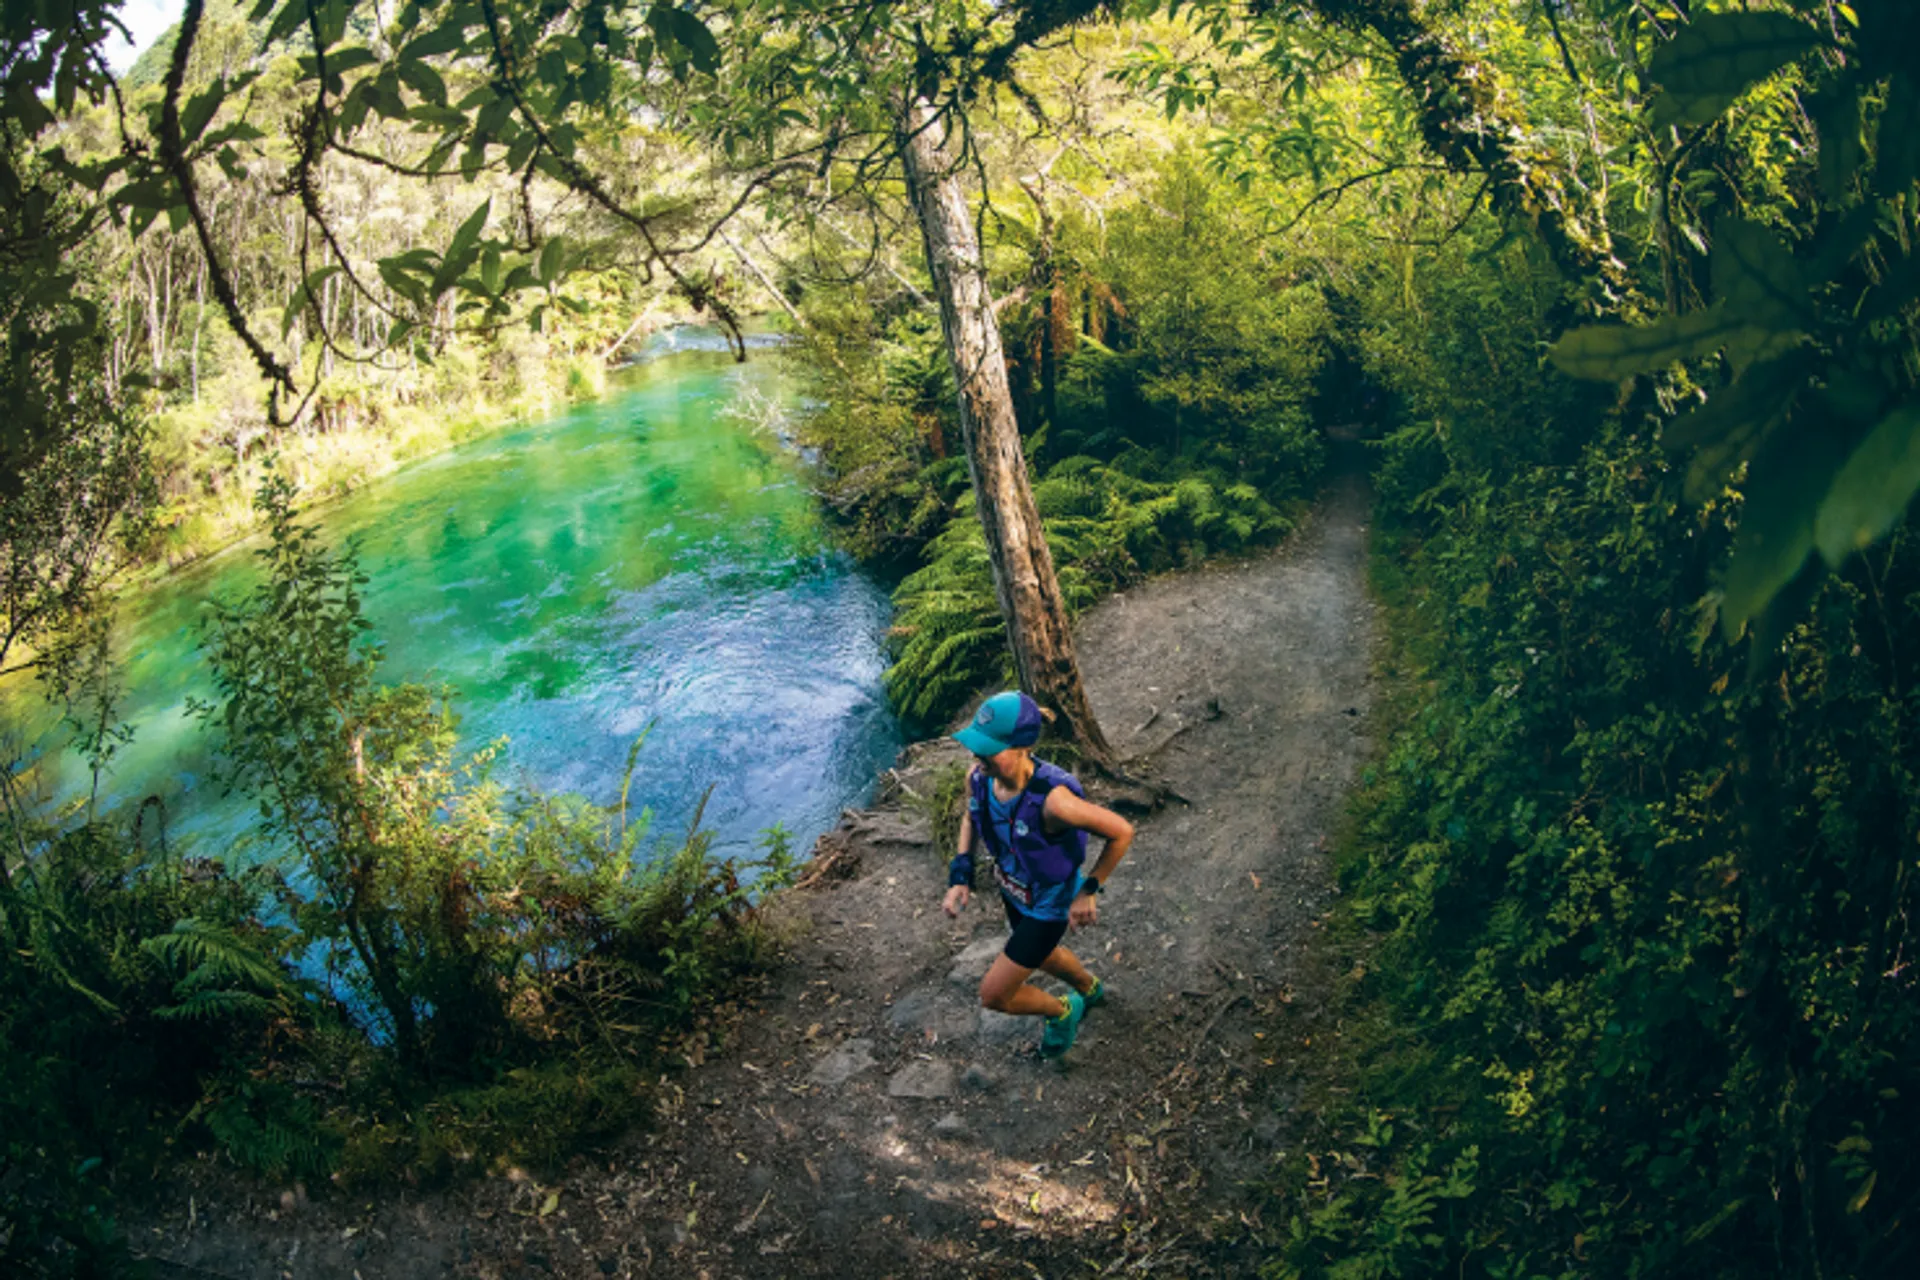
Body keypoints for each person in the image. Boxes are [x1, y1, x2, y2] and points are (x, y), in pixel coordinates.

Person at [942, 690, 1135, 1057]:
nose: (978, 756)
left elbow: (1122, 831)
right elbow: (971, 815)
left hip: (1048, 904)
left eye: (989, 749)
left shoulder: (1055, 801)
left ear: (1023, 747)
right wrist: (960, 875)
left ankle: (1063, 1012)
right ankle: (1090, 990)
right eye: (976, 747)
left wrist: (1088, 890)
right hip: (1014, 892)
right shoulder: (979, 778)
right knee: (1044, 956)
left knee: (994, 995)